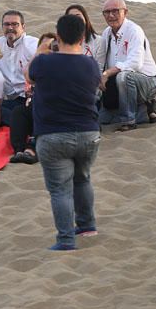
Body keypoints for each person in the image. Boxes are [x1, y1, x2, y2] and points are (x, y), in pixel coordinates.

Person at [28, 15, 101, 251]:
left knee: (60, 189)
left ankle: (66, 239)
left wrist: (41, 49)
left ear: (57, 37)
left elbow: (29, 75)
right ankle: (87, 225)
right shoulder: (91, 64)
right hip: (89, 133)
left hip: (53, 134)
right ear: (82, 37)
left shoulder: (44, 63)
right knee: (83, 179)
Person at [97, 0, 156, 131]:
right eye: (106, 12)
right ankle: (145, 110)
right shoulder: (106, 34)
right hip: (120, 86)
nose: (111, 15)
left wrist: (107, 73)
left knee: (124, 77)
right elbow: (100, 61)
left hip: (147, 82)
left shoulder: (134, 30)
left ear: (125, 12)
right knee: (103, 119)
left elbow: (135, 63)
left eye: (115, 11)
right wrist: (99, 78)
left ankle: (129, 121)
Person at [9, 32, 56, 165]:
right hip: (37, 108)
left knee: (39, 106)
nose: (47, 49)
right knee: (18, 112)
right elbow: (28, 76)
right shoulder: (38, 65)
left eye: (50, 45)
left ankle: (33, 150)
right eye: (43, 45)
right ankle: (19, 149)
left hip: (57, 113)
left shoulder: (62, 63)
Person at [0, 10, 38, 126]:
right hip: (12, 99)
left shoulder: (32, 45)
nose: (10, 27)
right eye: (6, 24)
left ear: (23, 27)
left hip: (32, 99)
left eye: (15, 24)